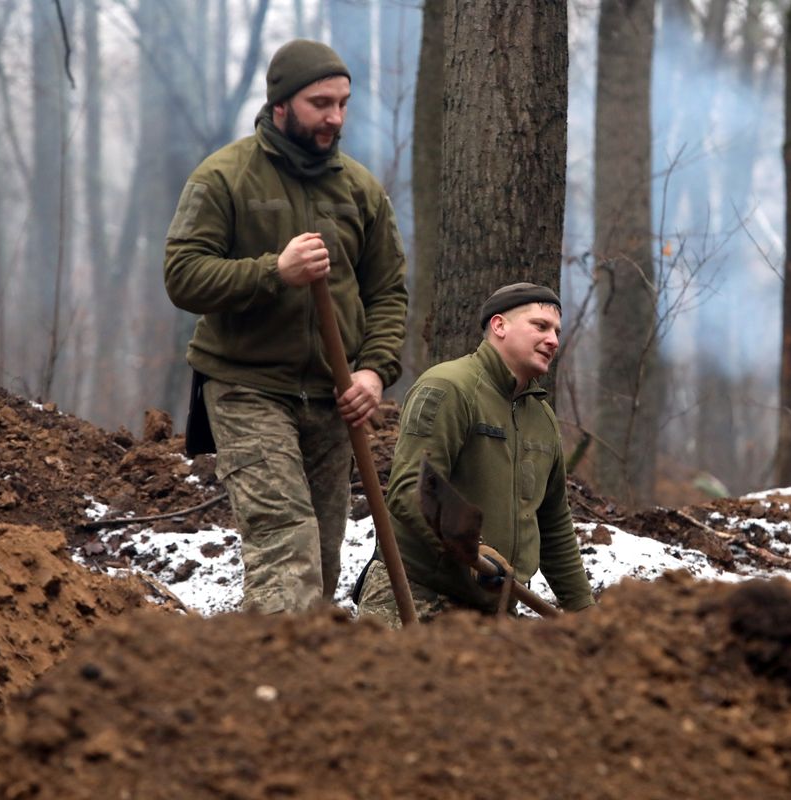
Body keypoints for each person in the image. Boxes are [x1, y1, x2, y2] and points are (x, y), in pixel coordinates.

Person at [164, 39, 407, 614]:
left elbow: (388, 293)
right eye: (320, 103)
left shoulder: (361, 190)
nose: (335, 118)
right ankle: (271, 692)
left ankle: (305, 689)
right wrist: (275, 271)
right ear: (280, 106)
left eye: (343, 103)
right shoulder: (223, 178)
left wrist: (374, 372)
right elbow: (183, 277)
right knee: (285, 542)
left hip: (333, 395)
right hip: (247, 385)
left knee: (320, 562)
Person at [357, 283, 595, 626]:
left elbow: (554, 524)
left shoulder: (542, 420)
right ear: (499, 326)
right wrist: (472, 549)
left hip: (494, 609)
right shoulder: (448, 388)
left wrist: (585, 613)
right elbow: (410, 489)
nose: (553, 341)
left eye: (557, 331)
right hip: (415, 596)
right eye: (540, 326)